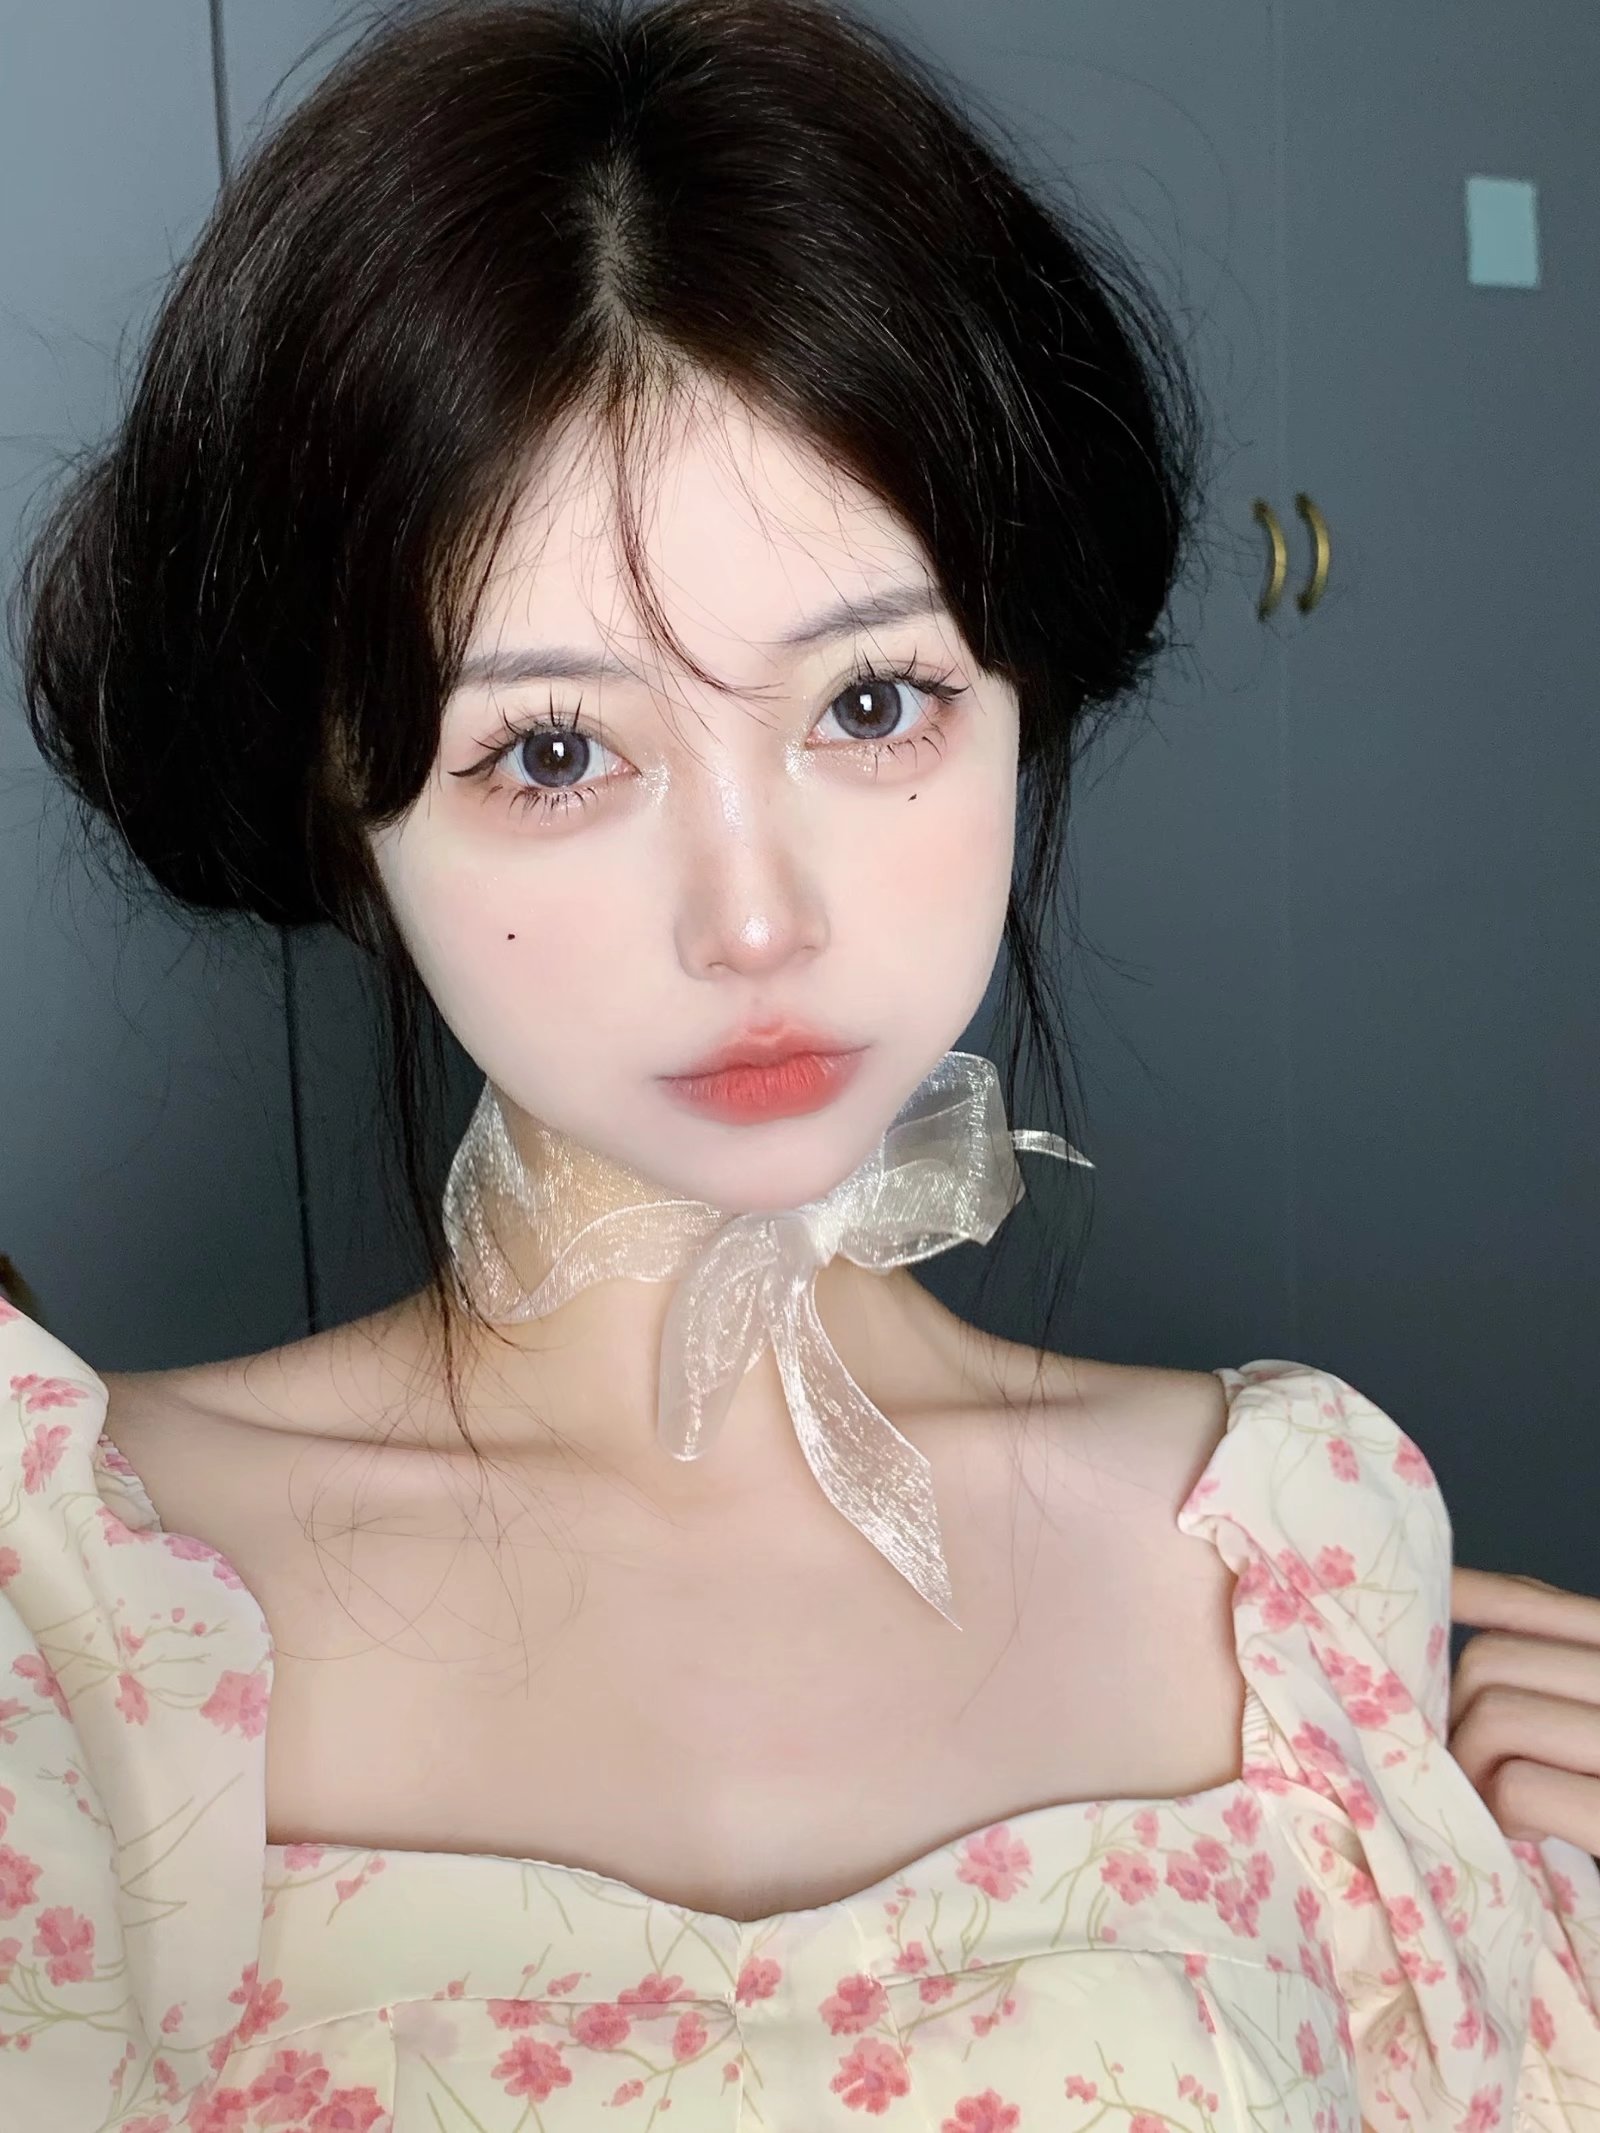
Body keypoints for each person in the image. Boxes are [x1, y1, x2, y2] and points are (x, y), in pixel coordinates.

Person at [3, 0, 1596, 2125]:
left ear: (1019, 697)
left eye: (869, 705)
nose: (751, 920)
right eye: (550, 750)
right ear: (340, 792)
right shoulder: (68, 1596)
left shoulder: (1286, 1549)